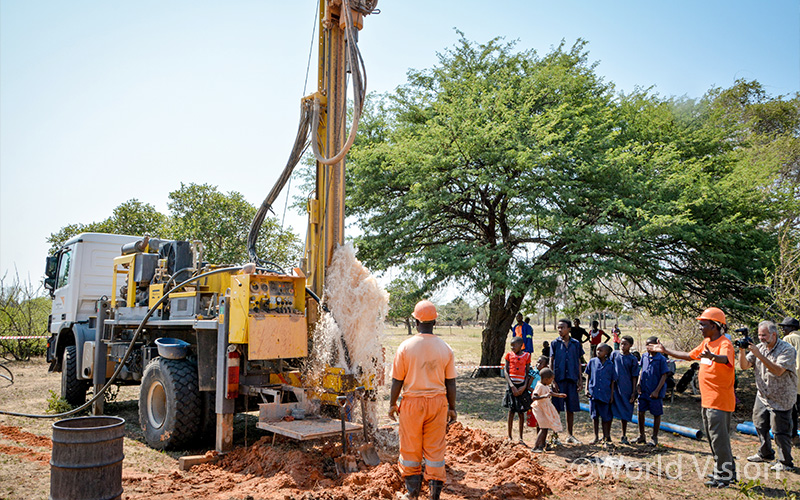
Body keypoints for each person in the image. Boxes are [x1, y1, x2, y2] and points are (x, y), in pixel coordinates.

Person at [648, 307, 736, 488]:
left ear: (714, 325)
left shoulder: (724, 344)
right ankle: (726, 470)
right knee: (714, 439)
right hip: (708, 400)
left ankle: (724, 476)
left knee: (719, 439)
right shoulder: (706, 342)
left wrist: (713, 356)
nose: (700, 328)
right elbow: (688, 356)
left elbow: (725, 360)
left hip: (719, 401)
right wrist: (666, 350)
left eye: (703, 324)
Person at [389, 300, 457, 500]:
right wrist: (452, 408)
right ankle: (434, 496)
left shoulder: (405, 347)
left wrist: (392, 404)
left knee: (411, 449)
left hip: (411, 403)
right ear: (434, 322)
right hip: (438, 403)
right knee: (436, 451)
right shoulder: (445, 348)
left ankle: (412, 494)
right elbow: (451, 383)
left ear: (415, 321)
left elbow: (397, 381)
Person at [739, 320, 797, 472]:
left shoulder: (787, 349)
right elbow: (744, 366)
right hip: (763, 395)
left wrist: (759, 355)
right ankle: (765, 453)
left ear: (774, 334)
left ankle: (785, 463)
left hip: (781, 397)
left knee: (780, 431)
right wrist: (742, 351)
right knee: (759, 424)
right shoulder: (759, 348)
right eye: (759, 335)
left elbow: (778, 371)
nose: (761, 339)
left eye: (764, 335)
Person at [550, 318, 584, 444]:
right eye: (558, 327)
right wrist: (552, 380)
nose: (560, 330)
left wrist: (580, 380)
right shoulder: (555, 343)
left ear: (569, 329)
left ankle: (570, 435)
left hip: (572, 379)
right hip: (558, 380)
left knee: (571, 408)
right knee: (557, 408)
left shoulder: (576, 344)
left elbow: (579, 362)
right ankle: (555, 436)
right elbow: (551, 361)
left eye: (562, 327)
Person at [636, 336, 668, 446]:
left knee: (656, 414)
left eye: (650, 345)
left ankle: (654, 437)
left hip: (655, 391)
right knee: (640, 412)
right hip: (644, 390)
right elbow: (641, 371)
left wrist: (657, 391)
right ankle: (641, 435)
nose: (648, 347)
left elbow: (664, 376)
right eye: (646, 345)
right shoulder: (644, 356)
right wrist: (638, 384)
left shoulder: (661, 359)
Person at [585, 343, 616, 445]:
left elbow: (612, 381)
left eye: (601, 350)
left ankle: (606, 437)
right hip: (594, 394)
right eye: (597, 350)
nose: (598, 352)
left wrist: (611, 395)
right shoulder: (592, 362)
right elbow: (588, 376)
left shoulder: (610, 365)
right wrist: (586, 389)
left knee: (605, 417)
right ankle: (596, 437)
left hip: (605, 394)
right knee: (594, 417)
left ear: (606, 352)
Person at [611, 335, 639, 444]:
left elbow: (634, 376)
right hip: (615, 387)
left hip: (626, 388)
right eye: (621, 343)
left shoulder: (632, 359)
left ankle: (624, 435)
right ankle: (607, 435)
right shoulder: (615, 354)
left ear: (630, 346)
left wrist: (633, 392)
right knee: (610, 410)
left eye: (625, 344)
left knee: (625, 411)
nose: (622, 346)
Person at [502, 337, 532, 443]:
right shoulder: (509, 355)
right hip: (512, 386)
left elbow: (528, 372)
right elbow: (506, 371)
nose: (512, 347)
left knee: (521, 412)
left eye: (514, 345)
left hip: (522, 386)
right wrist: (512, 385)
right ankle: (509, 436)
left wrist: (524, 386)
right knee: (511, 411)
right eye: (511, 345)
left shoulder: (527, 356)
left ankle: (521, 437)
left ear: (521, 345)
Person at [530, 367, 566, 452]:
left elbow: (550, 393)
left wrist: (559, 395)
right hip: (540, 409)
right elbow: (533, 397)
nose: (552, 381)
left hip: (545, 408)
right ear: (546, 379)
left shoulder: (546, 385)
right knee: (543, 428)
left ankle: (542, 445)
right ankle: (536, 447)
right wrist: (544, 396)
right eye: (551, 379)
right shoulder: (539, 386)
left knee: (545, 427)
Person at [778, 316, 800, 446]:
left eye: (784, 327)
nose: (783, 330)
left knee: (791, 410)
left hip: (794, 380)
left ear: (791, 328)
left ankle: (793, 436)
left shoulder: (788, 339)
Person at [526, 356, 549, 428]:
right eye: (537, 362)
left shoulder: (546, 375)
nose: (538, 364)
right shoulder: (534, 373)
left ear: (545, 366)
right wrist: (535, 392)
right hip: (534, 397)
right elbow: (528, 386)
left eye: (541, 363)